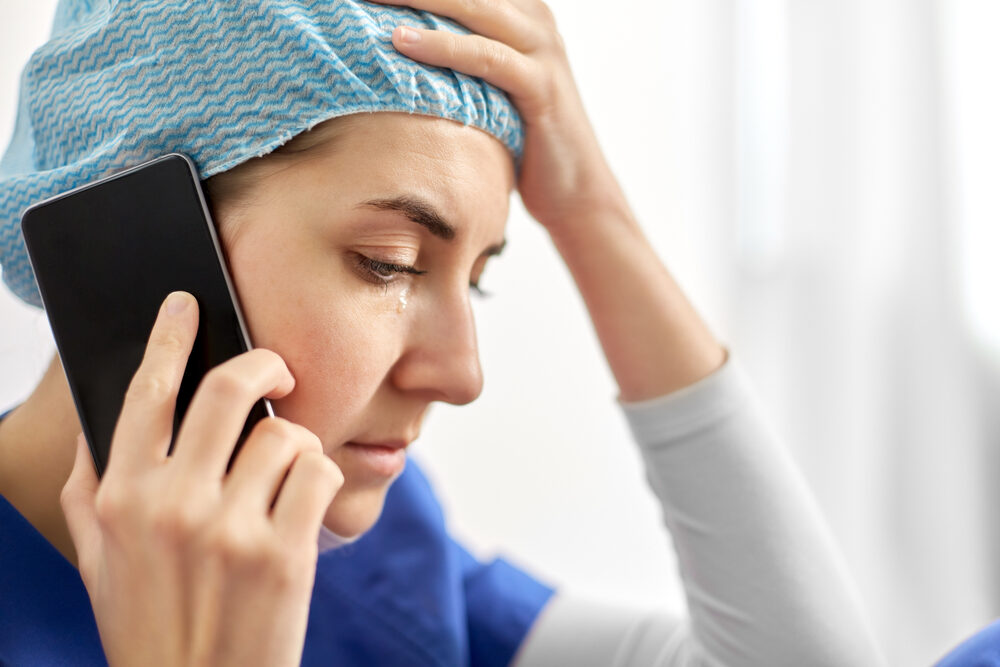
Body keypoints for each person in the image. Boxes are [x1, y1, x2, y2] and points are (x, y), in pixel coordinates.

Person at [0, 0, 885, 665]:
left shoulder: (365, 546)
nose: (462, 375)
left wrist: (591, 212)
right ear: (124, 240)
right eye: (388, 261)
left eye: (480, 279)